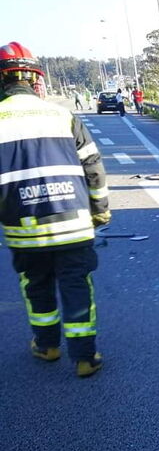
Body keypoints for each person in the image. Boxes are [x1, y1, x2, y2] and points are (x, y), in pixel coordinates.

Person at [0, 42, 110, 377]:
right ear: (35, 80)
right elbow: (93, 167)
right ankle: (84, 357)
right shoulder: (63, 116)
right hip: (73, 223)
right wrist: (100, 211)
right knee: (76, 284)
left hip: (24, 229)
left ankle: (47, 346)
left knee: (36, 285)